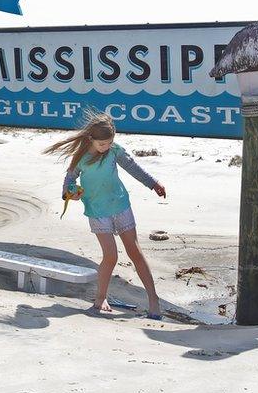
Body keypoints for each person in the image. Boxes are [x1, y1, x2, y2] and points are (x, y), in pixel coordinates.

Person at [43, 111, 167, 319]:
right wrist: (70, 193)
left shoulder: (114, 151)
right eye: (102, 144)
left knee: (135, 252)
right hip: (98, 211)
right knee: (111, 256)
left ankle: (153, 300)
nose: (105, 147)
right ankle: (100, 299)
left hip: (120, 205)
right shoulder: (81, 157)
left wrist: (153, 183)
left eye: (109, 143)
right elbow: (68, 182)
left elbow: (133, 168)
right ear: (91, 139)